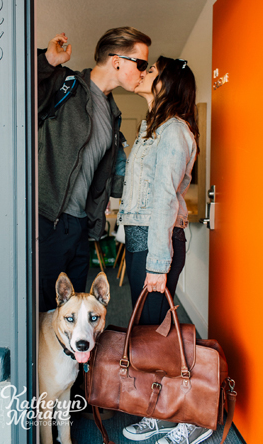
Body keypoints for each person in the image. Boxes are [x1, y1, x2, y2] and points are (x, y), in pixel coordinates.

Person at [117, 57, 206, 444]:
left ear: (167, 85)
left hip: (159, 243)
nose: (143, 73)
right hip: (144, 240)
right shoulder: (152, 128)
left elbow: (164, 201)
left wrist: (157, 262)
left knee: (158, 334)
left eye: (150, 71)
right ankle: (158, 408)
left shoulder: (173, 131)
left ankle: (190, 416)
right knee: (150, 332)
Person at [37, 27, 151, 312]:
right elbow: (20, 95)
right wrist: (47, 61)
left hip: (78, 226)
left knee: (74, 314)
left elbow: (109, 173)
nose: (142, 72)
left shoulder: (112, 113)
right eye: (141, 64)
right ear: (116, 61)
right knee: (44, 313)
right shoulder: (67, 85)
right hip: (47, 217)